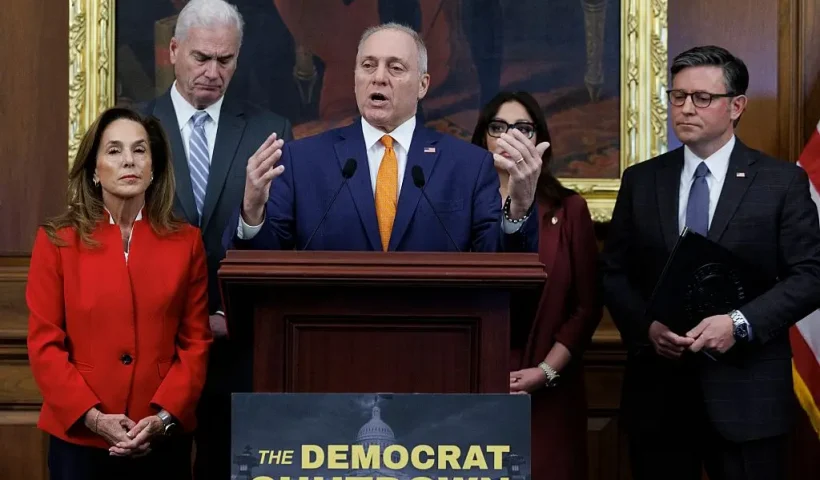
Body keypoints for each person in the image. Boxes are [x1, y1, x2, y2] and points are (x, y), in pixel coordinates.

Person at [600, 45, 820, 480]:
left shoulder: (780, 183)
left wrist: (738, 323)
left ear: (736, 106)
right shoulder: (642, 180)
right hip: (659, 397)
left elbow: (811, 276)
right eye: (677, 96)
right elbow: (613, 272)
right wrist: (646, 327)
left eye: (702, 98)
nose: (686, 108)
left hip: (747, 398)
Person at [139, 1, 292, 477]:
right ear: (173, 50)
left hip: (235, 348)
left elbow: (284, 241)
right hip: (155, 348)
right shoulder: (135, 129)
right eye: (200, 57)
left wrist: (229, 310)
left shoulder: (270, 131)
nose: (212, 72)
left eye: (224, 61)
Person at [229, 22, 542, 253]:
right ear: (355, 78)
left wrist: (519, 209)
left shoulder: (468, 166)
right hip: (329, 335)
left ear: (423, 84)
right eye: (368, 65)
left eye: (395, 67)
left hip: (435, 335)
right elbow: (266, 266)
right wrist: (253, 213)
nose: (379, 77)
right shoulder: (302, 162)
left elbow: (497, 264)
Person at [26, 107, 212, 480]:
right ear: (94, 170)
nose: (129, 159)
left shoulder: (186, 242)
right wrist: (93, 418)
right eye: (114, 150)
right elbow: (45, 345)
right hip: (80, 440)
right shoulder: (57, 242)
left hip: (159, 440)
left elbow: (195, 344)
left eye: (140, 150)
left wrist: (161, 420)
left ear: (154, 167)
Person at [471, 91, 601, 480]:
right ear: (482, 139)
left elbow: (587, 306)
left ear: (539, 141)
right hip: (472, 385)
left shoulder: (569, 208)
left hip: (548, 385)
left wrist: (545, 372)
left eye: (522, 128)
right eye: (498, 127)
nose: (509, 136)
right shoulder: (458, 205)